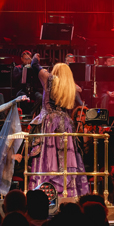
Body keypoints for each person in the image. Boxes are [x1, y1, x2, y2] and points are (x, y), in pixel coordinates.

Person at [26, 54, 90, 197]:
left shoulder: (50, 79)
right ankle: (67, 192)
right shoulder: (70, 86)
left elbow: (34, 64)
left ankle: (46, 192)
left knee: (48, 156)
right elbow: (80, 100)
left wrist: (36, 56)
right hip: (66, 123)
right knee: (66, 157)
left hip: (50, 122)